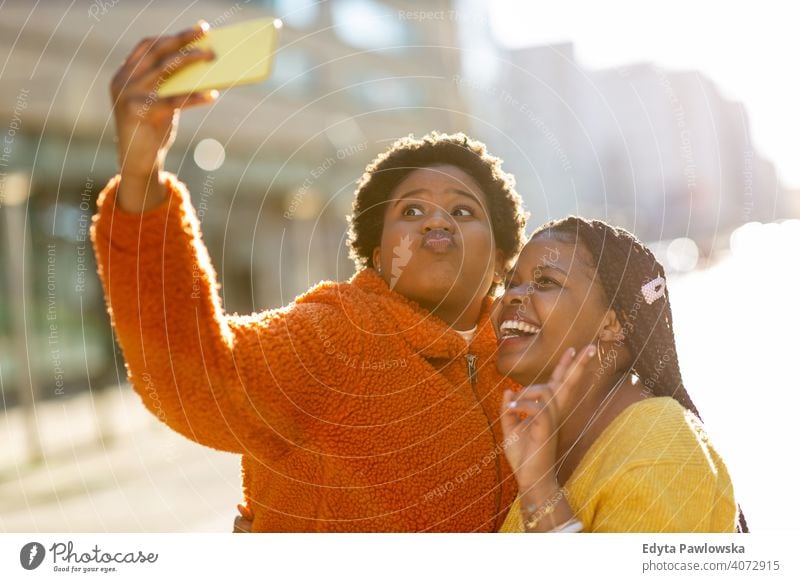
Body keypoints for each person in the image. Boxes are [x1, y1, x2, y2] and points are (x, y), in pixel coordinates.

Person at [91, 21, 528, 531]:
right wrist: (142, 175)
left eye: (464, 210)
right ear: (379, 256)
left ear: (501, 258)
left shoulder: (527, 357)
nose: (436, 220)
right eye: (410, 212)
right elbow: (201, 381)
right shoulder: (338, 335)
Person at [492, 216, 746, 532]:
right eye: (510, 283)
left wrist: (541, 492)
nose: (510, 296)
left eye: (546, 282)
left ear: (613, 324)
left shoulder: (658, 450)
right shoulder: (549, 445)